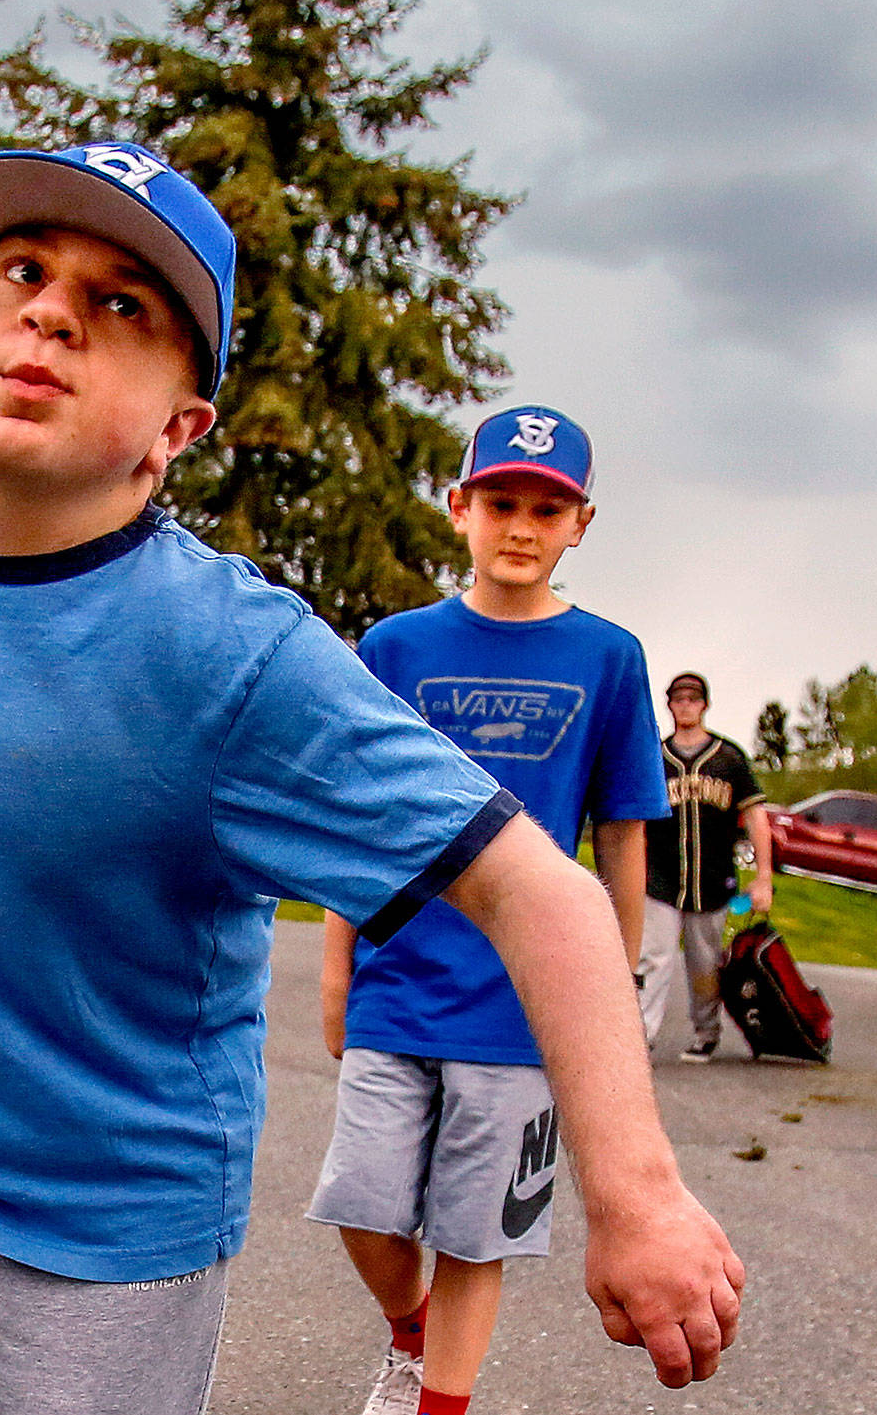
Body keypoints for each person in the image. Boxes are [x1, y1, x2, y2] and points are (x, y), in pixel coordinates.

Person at [0, 142, 743, 1415]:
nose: (53, 309)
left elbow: (538, 895)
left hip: (113, 1192)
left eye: (122, 306)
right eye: (21, 270)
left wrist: (638, 1196)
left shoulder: (233, 662)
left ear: (175, 431)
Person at [307, 405, 670, 1415]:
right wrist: (337, 967)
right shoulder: (395, 645)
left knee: (477, 1231)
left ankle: (436, 1404)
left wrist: (613, 986)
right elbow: (357, 820)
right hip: (397, 983)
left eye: (545, 509)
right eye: (501, 501)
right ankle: (407, 1332)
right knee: (364, 1208)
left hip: (526, 1007)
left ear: (578, 525)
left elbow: (624, 832)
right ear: (457, 507)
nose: (521, 524)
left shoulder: (608, 658)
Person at [638, 672, 773, 1060]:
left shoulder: (728, 758)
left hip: (713, 880)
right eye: (678, 699)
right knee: (653, 958)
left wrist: (763, 878)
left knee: (706, 964)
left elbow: (757, 818)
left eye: (693, 699)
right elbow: (635, 825)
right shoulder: (655, 758)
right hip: (661, 878)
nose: (685, 705)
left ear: (705, 704)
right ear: (669, 705)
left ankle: (706, 1033)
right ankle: (641, 1037)